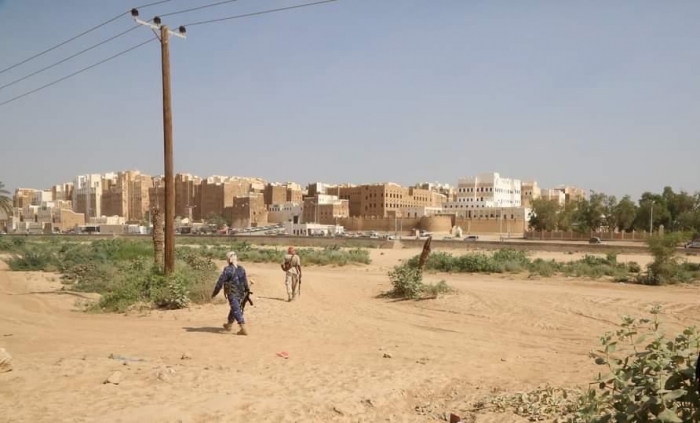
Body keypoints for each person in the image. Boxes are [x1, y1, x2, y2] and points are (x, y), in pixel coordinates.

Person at [212, 251, 250, 335]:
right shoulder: (241, 269)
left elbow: (220, 282)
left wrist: (215, 293)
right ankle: (229, 324)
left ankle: (242, 327)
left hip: (232, 293)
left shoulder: (228, 269)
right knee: (235, 307)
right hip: (241, 293)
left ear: (228, 260)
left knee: (236, 308)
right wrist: (247, 290)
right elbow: (245, 282)